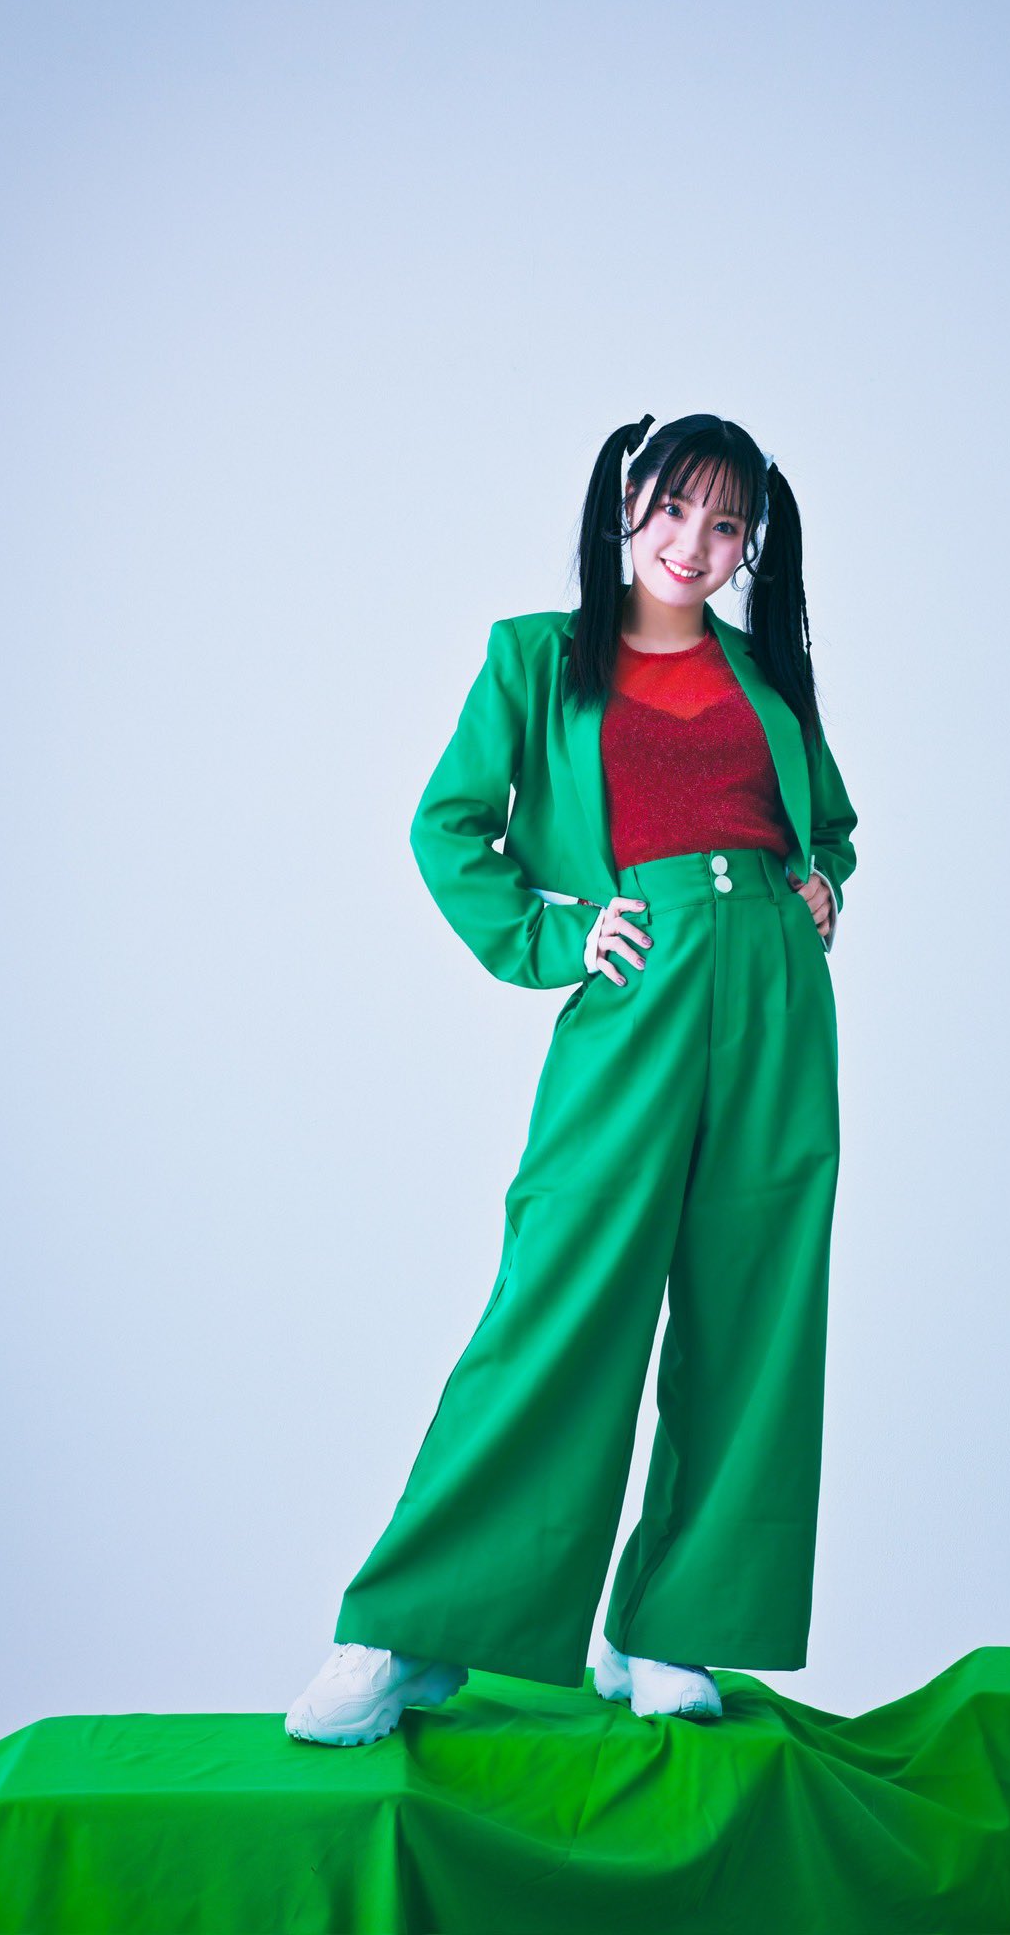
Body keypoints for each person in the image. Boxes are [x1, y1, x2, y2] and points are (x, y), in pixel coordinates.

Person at [286, 412, 857, 1744]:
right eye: (673, 509)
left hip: (776, 996)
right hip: (637, 986)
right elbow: (448, 827)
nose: (694, 545)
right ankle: (414, 1626)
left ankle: (671, 1623)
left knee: (756, 1307)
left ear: (750, 546)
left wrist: (823, 883)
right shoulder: (539, 658)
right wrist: (554, 938)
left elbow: (824, 821)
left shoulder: (764, 676)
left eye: (727, 525)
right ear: (626, 504)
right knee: (561, 1295)